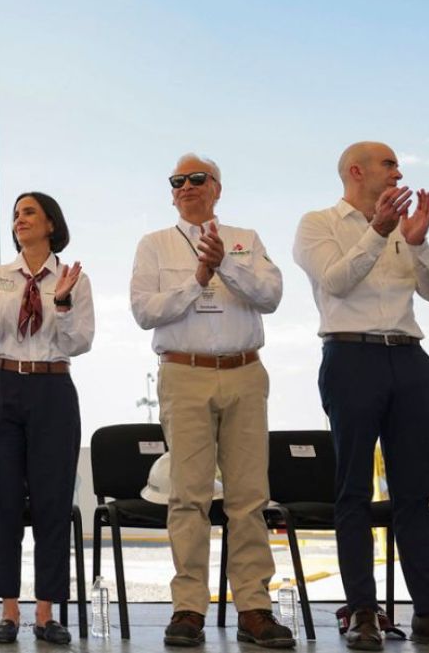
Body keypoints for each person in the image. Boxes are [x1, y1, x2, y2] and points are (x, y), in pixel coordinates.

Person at [293, 141, 429, 651]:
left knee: (414, 492)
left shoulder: (404, 229)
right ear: (357, 171)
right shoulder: (318, 224)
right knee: (354, 490)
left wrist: (418, 244)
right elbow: (336, 283)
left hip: (409, 360)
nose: (398, 173)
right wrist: (378, 232)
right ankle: (363, 612)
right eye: (389, 164)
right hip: (351, 357)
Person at [129, 153, 292, 648]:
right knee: (188, 497)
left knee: (249, 497)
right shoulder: (154, 244)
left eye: (197, 178)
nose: (187, 186)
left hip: (245, 372)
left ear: (217, 188)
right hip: (184, 372)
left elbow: (271, 295)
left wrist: (226, 265)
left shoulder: (245, 239)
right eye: (177, 180)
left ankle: (254, 607)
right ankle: (188, 608)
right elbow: (144, 311)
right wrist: (196, 280)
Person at [0, 190, 93, 645]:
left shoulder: (74, 279)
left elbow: (80, 341)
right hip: (3, 384)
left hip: (52, 387)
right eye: (16, 214)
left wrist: (62, 304)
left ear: (50, 224)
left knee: (52, 501)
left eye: (29, 212)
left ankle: (45, 612)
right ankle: (8, 611)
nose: (19, 219)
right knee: (0, 499)